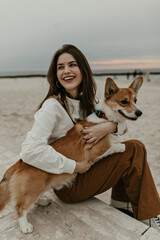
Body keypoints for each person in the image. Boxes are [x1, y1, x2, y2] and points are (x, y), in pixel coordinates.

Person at [20, 44, 160, 231]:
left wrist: (109, 127)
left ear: (83, 69)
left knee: (133, 147)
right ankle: (149, 215)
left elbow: (120, 124)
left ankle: (122, 204)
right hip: (66, 182)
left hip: (82, 173)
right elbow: (29, 151)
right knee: (134, 149)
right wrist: (74, 166)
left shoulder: (90, 101)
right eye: (60, 67)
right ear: (55, 75)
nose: (67, 70)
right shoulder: (51, 107)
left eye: (72, 65)